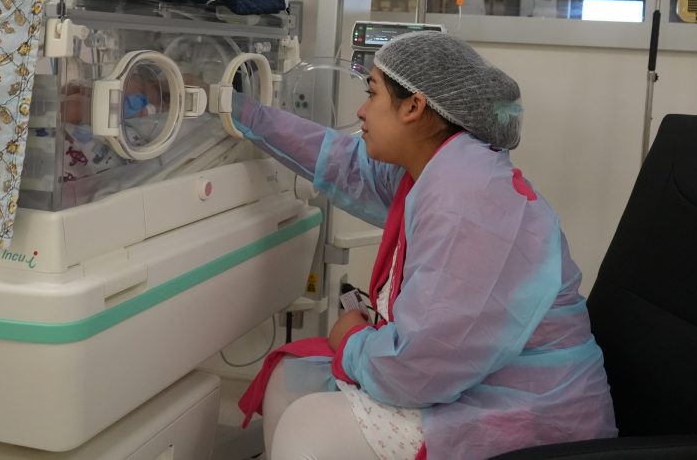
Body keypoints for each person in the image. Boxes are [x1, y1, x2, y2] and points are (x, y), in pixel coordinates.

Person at [233, 31, 616, 460]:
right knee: (288, 380)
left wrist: (351, 338)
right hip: (475, 378)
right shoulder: (436, 168)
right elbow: (344, 163)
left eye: (372, 94)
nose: (361, 111)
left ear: (413, 107)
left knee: (309, 426)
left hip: (534, 410)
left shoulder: (467, 198)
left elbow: (415, 372)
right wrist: (238, 111)